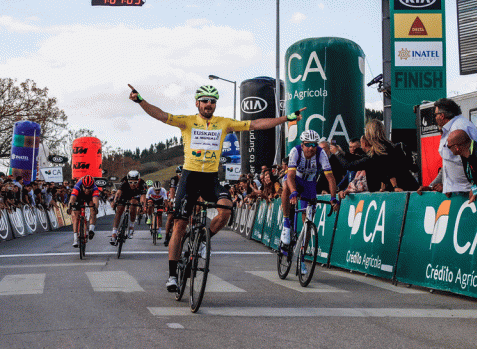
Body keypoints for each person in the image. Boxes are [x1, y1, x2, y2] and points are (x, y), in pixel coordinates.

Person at [128, 83, 302, 293]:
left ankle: (203, 238)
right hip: (190, 178)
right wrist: (140, 101)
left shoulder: (224, 123)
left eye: (212, 101)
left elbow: (255, 124)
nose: (209, 105)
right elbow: (160, 114)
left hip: (210, 178)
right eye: (205, 101)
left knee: (226, 210)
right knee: (180, 226)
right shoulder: (187, 122)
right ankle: (173, 275)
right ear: (197, 103)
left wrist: (286, 119)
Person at [280, 130, 340, 246]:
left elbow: (330, 178)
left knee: (308, 221)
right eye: (308, 144)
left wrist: (333, 197)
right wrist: (293, 192)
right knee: (286, 186)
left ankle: (302, 256)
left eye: (314, 145)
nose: (311, 148)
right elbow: (291, 176)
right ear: (302, 145)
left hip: (309, 184)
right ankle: (286, 222)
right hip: (295, 180)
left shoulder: (321, 153)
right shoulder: (295, 151)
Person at [418, 98, 477, 196]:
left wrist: (475, 188)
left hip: (469, 192)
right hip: (458, 193)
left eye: (435, 115)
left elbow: (476, 161)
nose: (435, 118)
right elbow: (449, 162)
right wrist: (432, 186)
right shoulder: (450, 128)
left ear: (442, 116)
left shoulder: (459, 128)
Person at [111, 170, 146, 243]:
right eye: (130, 182)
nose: (133, 184)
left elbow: (143, 197)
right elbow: (118, 193)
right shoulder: (124, 181)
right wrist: (115, 202)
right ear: (128, 180)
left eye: (135, 182)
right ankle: (114, 232)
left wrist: (143, 206)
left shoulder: (142, 183)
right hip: (125, 194)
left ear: (138, 180)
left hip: (135, 195)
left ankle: (131, 228)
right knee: (119, 211)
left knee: (133, 204)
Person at [67, 175, 100, 247]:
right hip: (79, 196)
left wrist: (95, 208)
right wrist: (69, 207)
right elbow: (72, 198)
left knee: (93, 208)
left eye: (89, 188)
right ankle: (75, 239)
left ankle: (91, 229)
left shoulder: (95, 188)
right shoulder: (78, 185)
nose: (87, 190)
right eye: (85, 188)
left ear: (92, 186)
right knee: (76, 216)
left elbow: (95, 200)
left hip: (89, 197)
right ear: (83, 186)